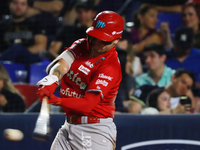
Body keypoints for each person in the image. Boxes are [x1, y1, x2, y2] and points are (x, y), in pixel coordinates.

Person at [37, 11, 124, 149]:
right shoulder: (81, 45)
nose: (96, 43)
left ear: (116, 40)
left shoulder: (110, 66)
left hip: (95, 129)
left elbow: (88, 104)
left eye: (103, 40)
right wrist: (52, 80)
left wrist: (55, 100)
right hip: (69, 125)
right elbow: (61, 64)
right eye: (94, 37)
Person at [0, 0, 47, 65]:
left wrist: (19, 51)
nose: (18, 7)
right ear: (9, 4)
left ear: (27, 6)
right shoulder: (2, 25)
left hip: (29, 60)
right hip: (6, 61)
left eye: (22, 4)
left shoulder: (35, 24)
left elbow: (41, 47)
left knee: (17, 48)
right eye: (15, 3)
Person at [128, 69, 195, 114]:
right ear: (173, 78)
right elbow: (133, 113)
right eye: (183, 82)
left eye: (188, 87)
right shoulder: (147, 90)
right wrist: (173, 111)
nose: (184, 87)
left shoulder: (185, 102)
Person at [165, 26, 200, 95]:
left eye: (185, 47)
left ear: (192, 42)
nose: (182, 50)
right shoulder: (164, 56)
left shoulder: (198, 56)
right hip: (169, 94)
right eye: (180, 47)